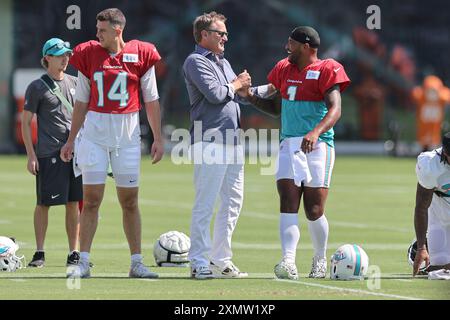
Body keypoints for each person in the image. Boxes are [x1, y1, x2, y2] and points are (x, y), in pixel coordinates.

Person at [60, 8, 164, 278]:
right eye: (97, 30)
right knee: (91, 200)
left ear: (118, 30)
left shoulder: (141, 53)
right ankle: (83, 262)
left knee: (130, 201)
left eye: (102, 30)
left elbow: (151, 100)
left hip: (127, 138)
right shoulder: (88, 54)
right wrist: (71, 139)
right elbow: (81, 101)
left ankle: (136, 263)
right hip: (94, 136)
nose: (97, 35)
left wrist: (158, 138)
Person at [243, 26, 350, 279]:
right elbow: (274, 104)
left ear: (305, 46)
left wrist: (314, 132)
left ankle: (319, 258)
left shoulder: (327, 68)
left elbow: (335, 109)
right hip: (289, 144)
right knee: (288, 202)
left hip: (319, 144)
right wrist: (248, 95)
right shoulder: (283, 69)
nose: (286, 48)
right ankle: (288, 261)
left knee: (313, 209)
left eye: (290, 43)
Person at [182, 11, 251, 279]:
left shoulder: (224, 62)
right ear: (204, 35)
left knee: (233, 202)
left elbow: (238, 96)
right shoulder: (195, 61)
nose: (225, 37)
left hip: (233, 140)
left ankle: (220, 260)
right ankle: (198, 260)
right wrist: (237, 84)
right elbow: (216, 94)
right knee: (206, 202)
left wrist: (262, 90)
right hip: (209, 138)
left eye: (225, 33)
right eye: (220, 33)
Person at [22, 38, 82, 268]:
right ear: (47, 57)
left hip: (75, 154)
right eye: (59, 55)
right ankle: (39, 252)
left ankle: (74, 253)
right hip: (49, 154)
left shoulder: (76, 82)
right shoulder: (37, 87)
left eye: (66, 54)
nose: (65, 58)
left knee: (73, 203)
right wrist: (31, 155)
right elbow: (26, 123)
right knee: (44, 203)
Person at [413, 132, 450, 277]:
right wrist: (421, 247)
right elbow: (421, 207)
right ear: (445, 153)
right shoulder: (431, 165)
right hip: (439, 216)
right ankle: (419, 244)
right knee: (438, 271)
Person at [411, 75, 450, 152]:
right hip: (423, 127)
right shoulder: (421, 96)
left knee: (434, 145)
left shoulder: (442, 97)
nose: (432, 94)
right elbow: (414, 93)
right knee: (422, 145)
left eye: (434, 91)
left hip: (435, 129)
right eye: (430, 90)